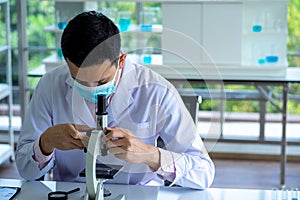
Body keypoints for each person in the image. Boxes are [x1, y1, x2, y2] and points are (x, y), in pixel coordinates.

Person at [16, 11, 215, 189]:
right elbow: (26, 171)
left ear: (121, 60)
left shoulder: (158, 91)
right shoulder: (50, 85)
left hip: (139, 194)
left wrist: (150, 155)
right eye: (79, 81)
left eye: (101, 81)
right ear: (67, 62)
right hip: (74, 192)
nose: (91, 90)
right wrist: (45, 143)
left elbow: (203, 173)